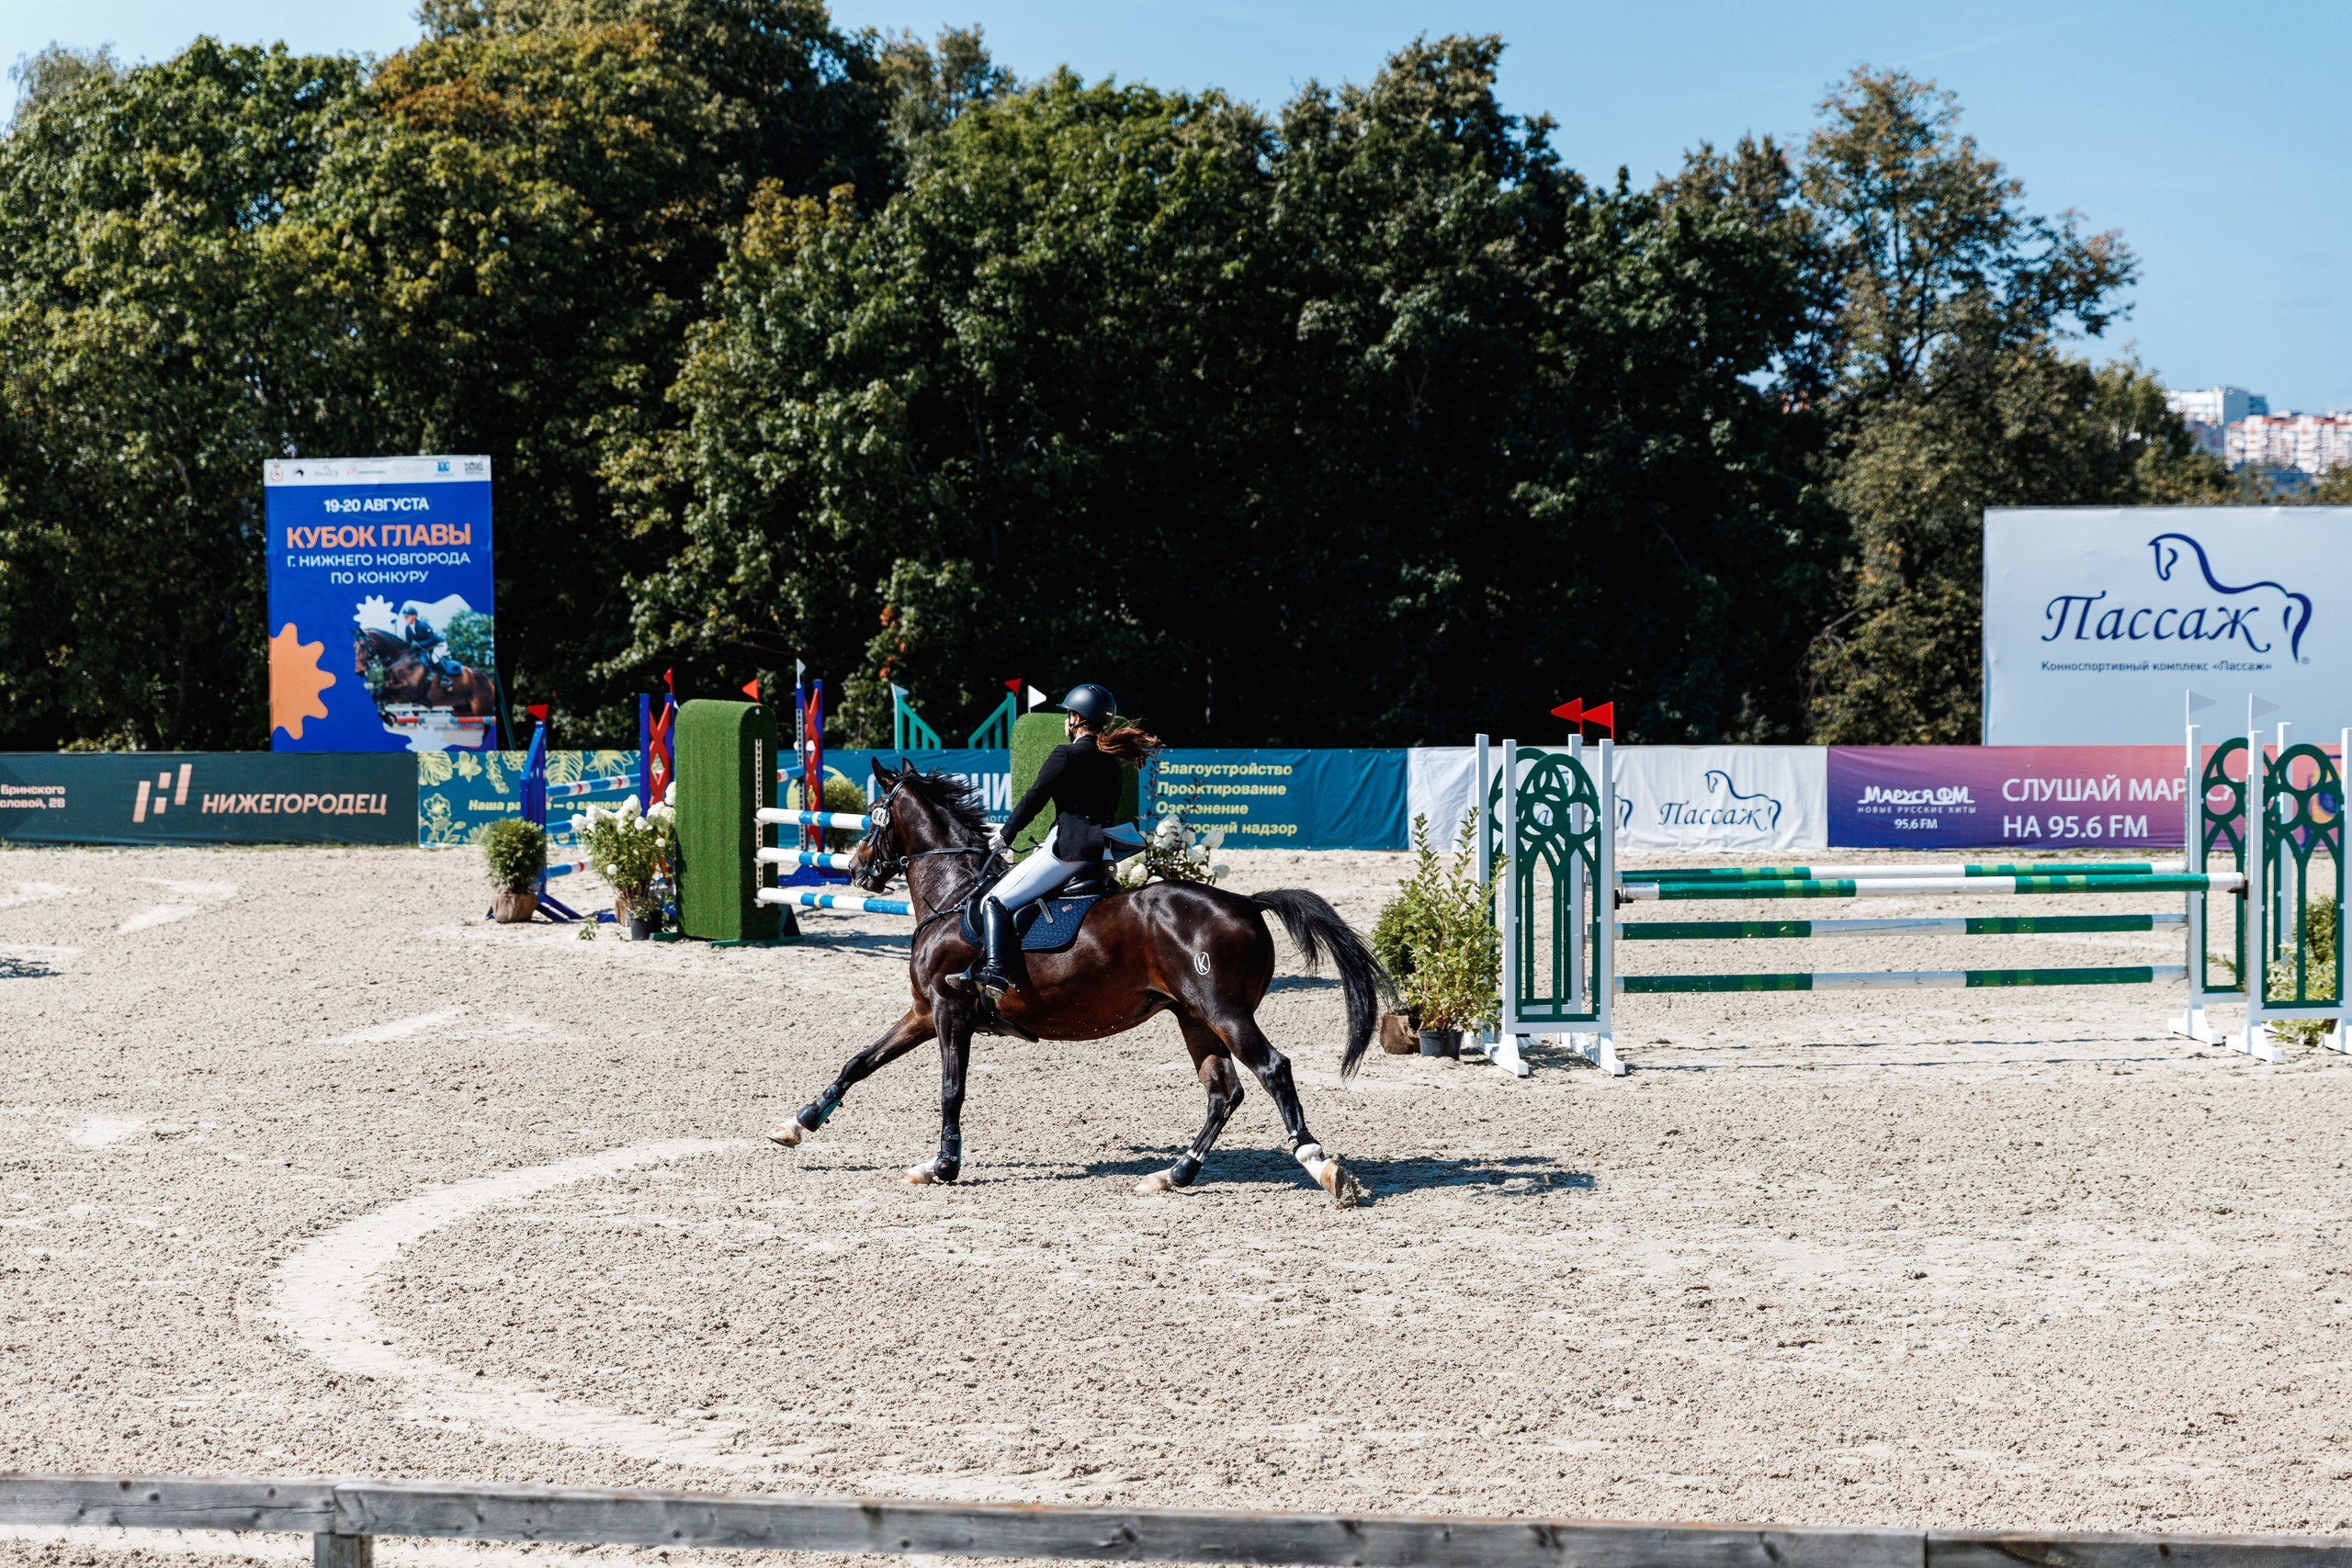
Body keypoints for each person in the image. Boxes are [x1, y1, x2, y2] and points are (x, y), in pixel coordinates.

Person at [958, 684, 1159, 999]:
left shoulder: (1065, 754)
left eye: (1068, 714)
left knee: (995, 900)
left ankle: (995, 972)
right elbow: (1105, 813)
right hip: (1098, 852)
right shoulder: (1111, 763)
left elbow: (1033, 798)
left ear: (1076, 718)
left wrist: (1005, 836)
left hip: (1066, 851)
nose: (1066, 720)